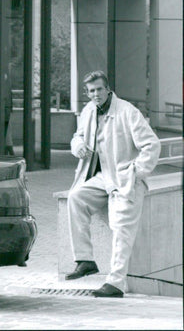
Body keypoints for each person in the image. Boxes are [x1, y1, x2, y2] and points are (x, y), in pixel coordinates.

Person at [64, 70, 160, 298]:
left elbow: (152, 145)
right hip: (102, 176)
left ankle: (116, 283)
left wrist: (135, 171)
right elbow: (77, 135)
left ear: (107, 89)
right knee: (75, 197)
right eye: (91, 91)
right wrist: (77, 145)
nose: (96, 94)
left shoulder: (128, 112)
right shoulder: (88, 111)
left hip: (126, 179)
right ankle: (85, 260)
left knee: (121, 228)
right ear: (87, 93)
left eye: (99, 89)